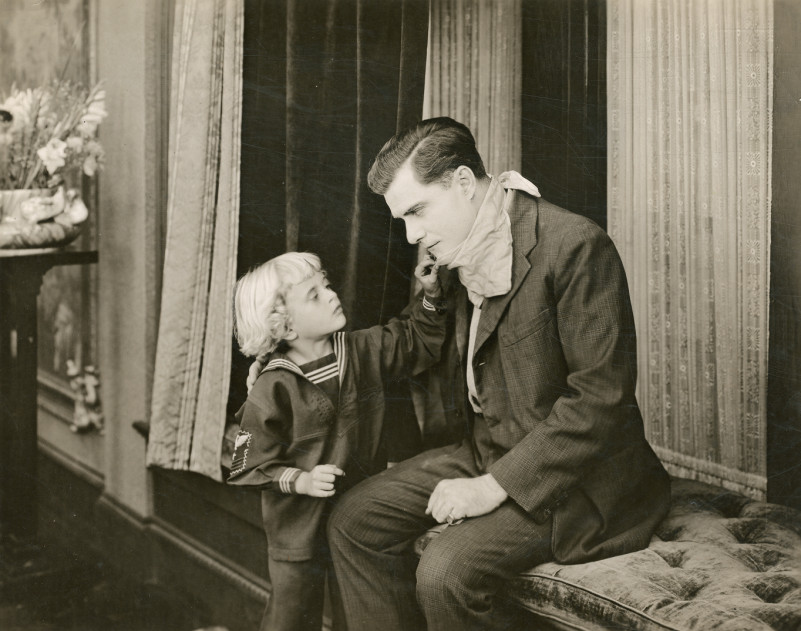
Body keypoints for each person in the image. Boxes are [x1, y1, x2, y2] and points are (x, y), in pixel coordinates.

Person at [326, 117, 672, 631]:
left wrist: (494, 486)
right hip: (487, 448)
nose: (412, 234)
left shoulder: (575, 245)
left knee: (444, 573)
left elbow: (600, 400)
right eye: (402, 219)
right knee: (354, 522)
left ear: (464, 183)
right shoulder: (459, 248)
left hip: (577, 481)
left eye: (417, 211)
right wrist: (296, 365)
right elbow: (417, 342)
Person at [228, 251, 446, 631]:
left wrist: (429, 294)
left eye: (326, 285)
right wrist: (301, 480)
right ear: (286, 327)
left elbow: (415, 340)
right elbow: (247, 466)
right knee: (291, 618)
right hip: (298, 534)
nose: (331, 295)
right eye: (314, 295)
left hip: (355, 527)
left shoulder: (363, 349)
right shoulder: (272, 386)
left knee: (357, 611)